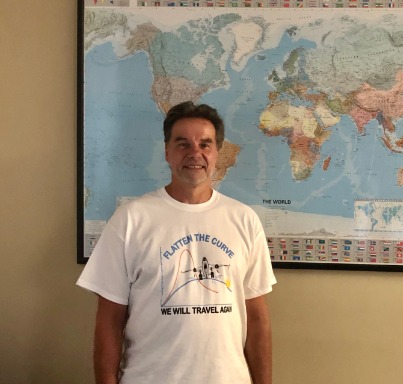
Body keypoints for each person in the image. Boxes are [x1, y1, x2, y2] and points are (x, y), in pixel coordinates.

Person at [77, 101, 276, 384]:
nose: (195, 153)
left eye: (205, 144)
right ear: (167, 152)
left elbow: (257, 320)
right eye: (183, 144)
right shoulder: (130, 220)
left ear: (217, 153)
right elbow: (109, 321)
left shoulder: (245, 220)